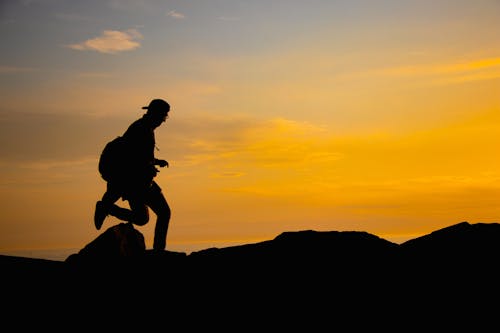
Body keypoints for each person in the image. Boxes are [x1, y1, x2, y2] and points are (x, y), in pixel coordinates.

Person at [94, 98, 172, 251]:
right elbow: (131, 158)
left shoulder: (143, 128)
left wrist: (155, 162)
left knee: (143, 218)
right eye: (163, 117)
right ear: (155, 114)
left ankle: (108, 208)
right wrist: (149, 166)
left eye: (165, 117)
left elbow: (140, 155)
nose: (163, 121)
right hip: (136, 183)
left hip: (140, 182)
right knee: (163, 213)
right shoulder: (141, 129)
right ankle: (159, 252)